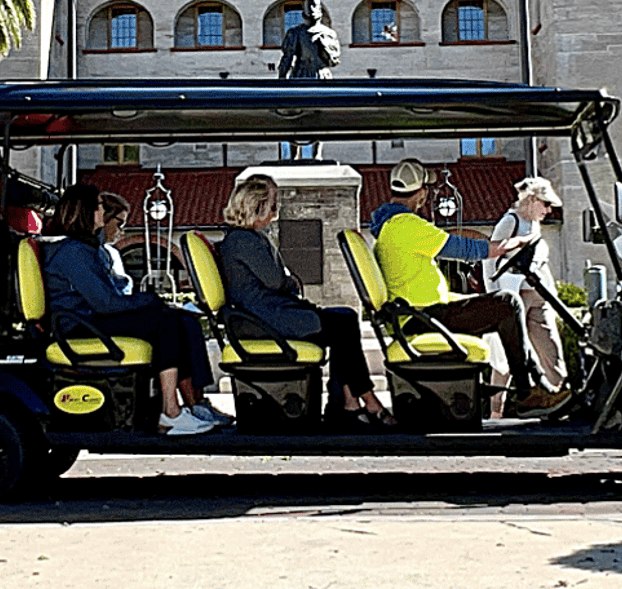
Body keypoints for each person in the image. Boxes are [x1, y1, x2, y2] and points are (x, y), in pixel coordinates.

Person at [371, 159, 569, 416]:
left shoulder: (389, 227)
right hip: (423, 318)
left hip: (420, 315)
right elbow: (467, 249)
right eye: (427, 190)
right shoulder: (407, 225)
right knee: (508, 303)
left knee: (500, 305)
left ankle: (531, 387)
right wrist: (516, 242)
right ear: (421, 193)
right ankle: (526, 393)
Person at [41, 183, 230, 436]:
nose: (103, 211)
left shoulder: (86, 249)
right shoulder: (73, 252)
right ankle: (170, 411)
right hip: (80, 325)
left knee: (182, 320)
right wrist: (151, 300)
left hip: (90, 320)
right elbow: (107, 303)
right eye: (99, 206)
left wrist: (151, 302)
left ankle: (195, 404)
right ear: (86, 212)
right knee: (166, 322)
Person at [215, 175, 395, 429]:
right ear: (258, 206)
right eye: (273, 204)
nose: (277, 211)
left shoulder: (244, 238)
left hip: (268, 313)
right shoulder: (244, 240)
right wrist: (290, 281)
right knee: (342, 324)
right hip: (266, 318)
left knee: (344, 318)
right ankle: (362, 400)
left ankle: (348, 402)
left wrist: (287, 281)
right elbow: (276, 281)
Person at [481, 176, 567, 417]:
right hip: (516, 297)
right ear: (531, 200)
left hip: (538, 296)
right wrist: (495, 296)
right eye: (545, 204)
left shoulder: (534, 224)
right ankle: (496, 413)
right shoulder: (510, 221)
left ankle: (558, 400)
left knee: (551, 351)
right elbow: (490, 260)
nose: (548, 210)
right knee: (508, 357)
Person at [276, 0, 341, 79]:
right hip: (301, 74)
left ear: (320, 12)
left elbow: (334, 61)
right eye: (309, 7)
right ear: (304, 13)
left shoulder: (328, 33)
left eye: (315, 7)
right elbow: (287, 58)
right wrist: (281, 78)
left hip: (322, 75)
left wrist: (325, 47)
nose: (312, 10)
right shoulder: (295, 33)